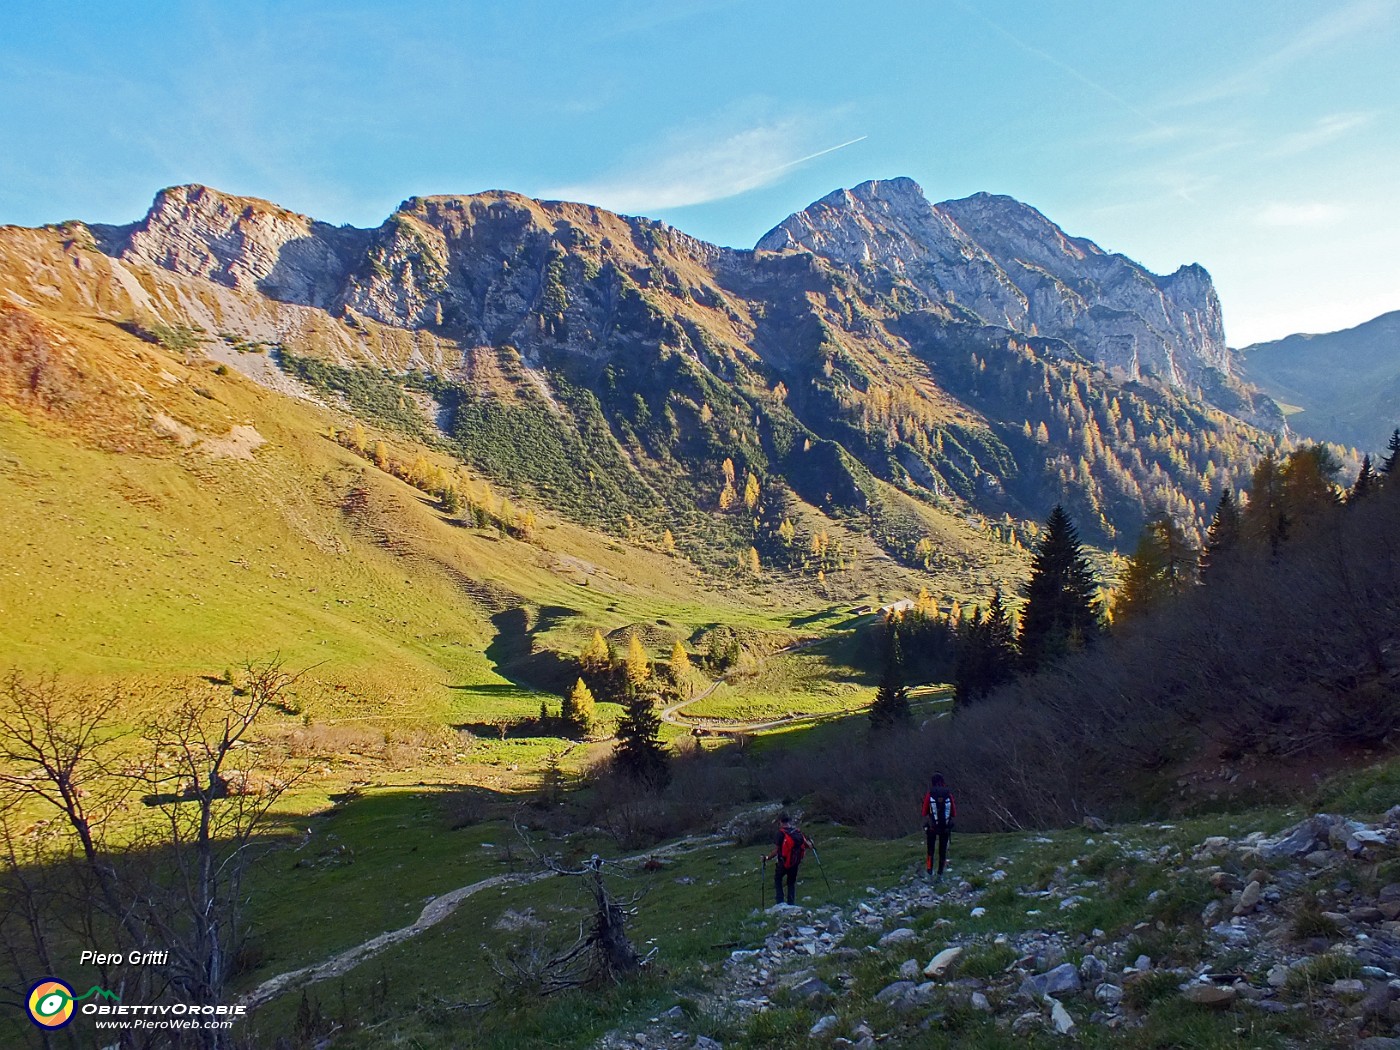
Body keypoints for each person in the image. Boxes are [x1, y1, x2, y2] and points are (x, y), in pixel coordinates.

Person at [762, 812, 810, 906]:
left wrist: (767, 858)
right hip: (795, 862)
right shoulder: (797, 832)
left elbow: (777, 850)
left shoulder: (781, 833)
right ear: (789, 820)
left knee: (778, 879)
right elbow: (808, 845)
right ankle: (791, 903)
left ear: (780, 821)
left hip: (783, 863)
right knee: (791, 883)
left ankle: (780, 903)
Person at [922, 773, 956, 882]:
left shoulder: (930, 794)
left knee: (930, 851)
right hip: (945, 827)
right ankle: (940, 874)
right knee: (942, 851)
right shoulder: (948, 794)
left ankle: (929, 872)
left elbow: (924, 812)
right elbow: (954, 812)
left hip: (932, 827)